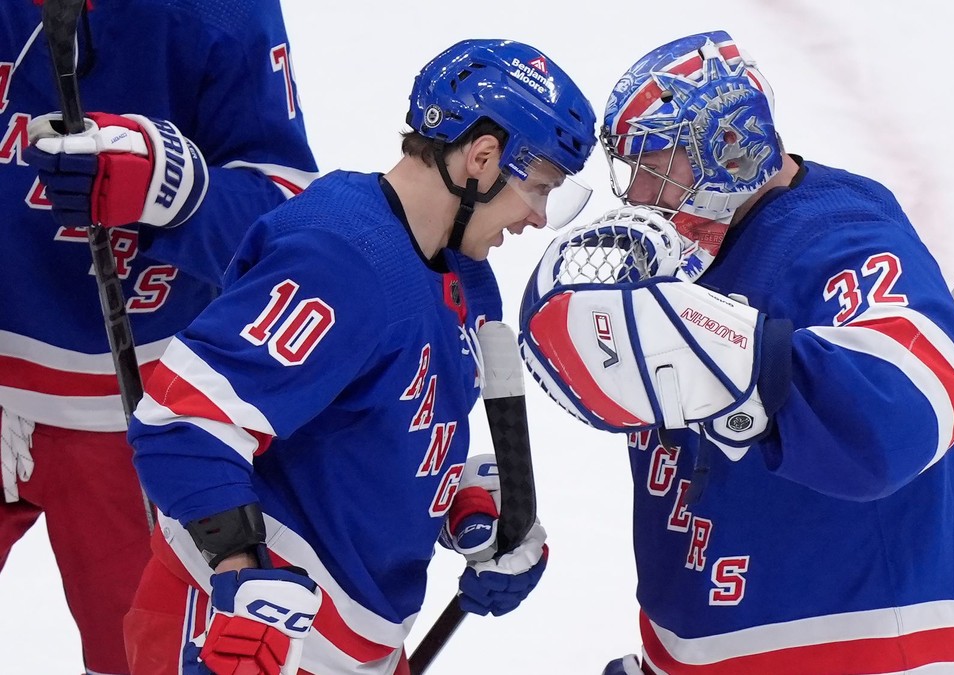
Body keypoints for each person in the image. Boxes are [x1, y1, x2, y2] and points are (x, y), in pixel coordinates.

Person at [519, 31, 954, 674]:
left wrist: (749, 363)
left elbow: (906, 411)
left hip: (870, 650)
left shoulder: (839, 235)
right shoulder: (684, 258)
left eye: (657, 164)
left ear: (729, 146)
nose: (639, 193)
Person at [124, 38, 596, 674]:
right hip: (245, 637)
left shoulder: (466, 274)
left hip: (360, 647)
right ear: (482, 160)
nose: (538, 217)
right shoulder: (340, 256)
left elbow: (371, 425)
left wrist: (464, 509)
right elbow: (185, 423)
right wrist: (244, 583)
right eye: (538, 187)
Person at [0, 1, 317, 672]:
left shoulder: (220, 13)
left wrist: (181, 191)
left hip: (137, 422)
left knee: (143, 661)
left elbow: (291, 223)